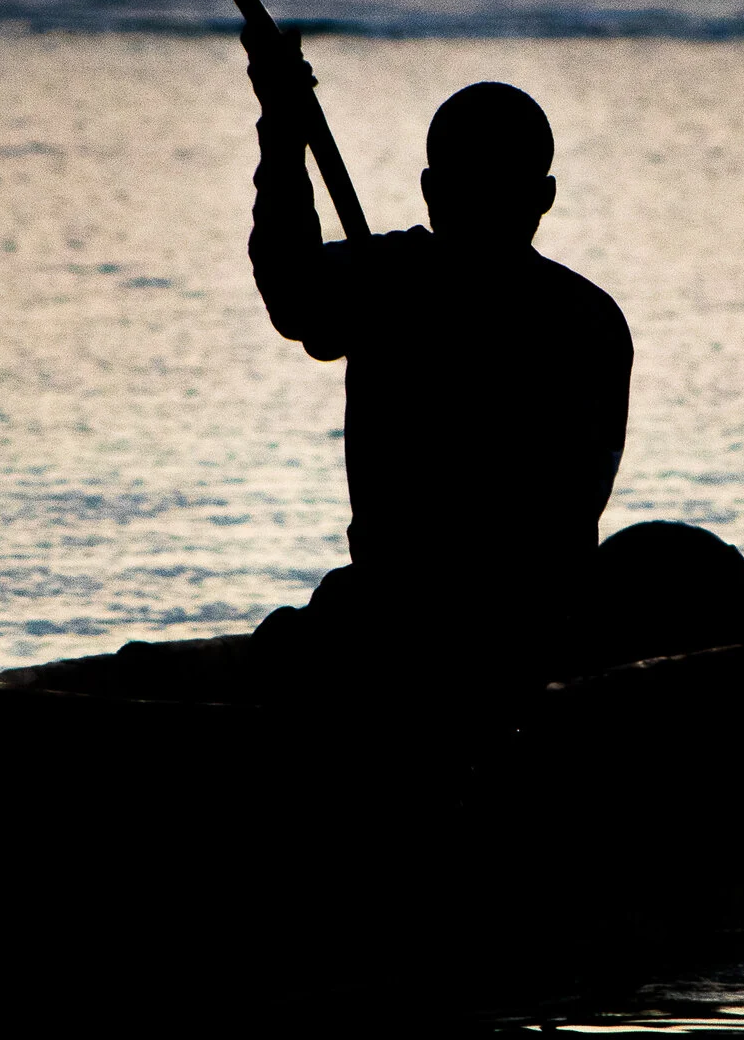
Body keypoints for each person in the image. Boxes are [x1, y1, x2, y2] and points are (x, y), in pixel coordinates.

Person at [245, 49, 633, 692]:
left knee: (289, 652)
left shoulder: (388, 283)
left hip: (406, 628)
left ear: (430, 190)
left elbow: (291, 288)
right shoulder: (591, 318)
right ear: (545, 197)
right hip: (540, 629)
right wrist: (283, 127)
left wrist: (282, 131)